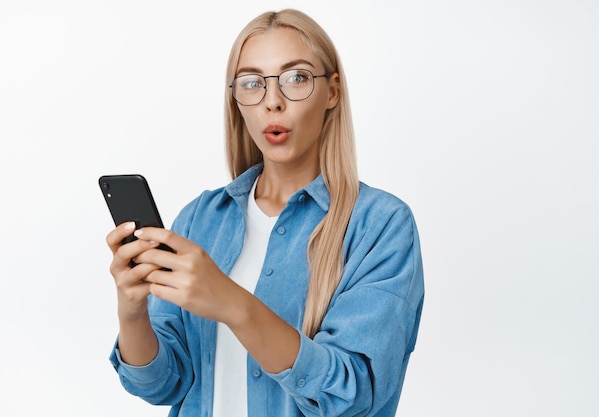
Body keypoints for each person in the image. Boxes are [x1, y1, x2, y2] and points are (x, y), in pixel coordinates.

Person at [106, 8, 424, 417]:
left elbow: (353, 396)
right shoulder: (201, 218)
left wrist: (233, 304)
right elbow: (162, 384)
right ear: (237, 100)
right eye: (253, 83)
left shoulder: (380, 225)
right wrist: (131, 311)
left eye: (296, 78)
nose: (273, 102)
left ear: (332, 92)